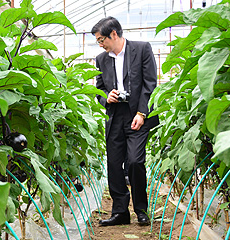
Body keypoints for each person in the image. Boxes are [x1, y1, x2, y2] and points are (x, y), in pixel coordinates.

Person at [91, 16, 159, 226]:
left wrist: (142, 113)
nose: (100, 44)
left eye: (102, 39)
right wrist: (105, 97)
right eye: (98, 41)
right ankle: (120, 211)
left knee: (136, 162)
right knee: (113, 164)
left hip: (137, 115)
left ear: (114, 34)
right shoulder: (101, 59)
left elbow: (150, 84)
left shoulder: (142, 49)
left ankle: (140, 209)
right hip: (115, 116)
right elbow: (98, 88)